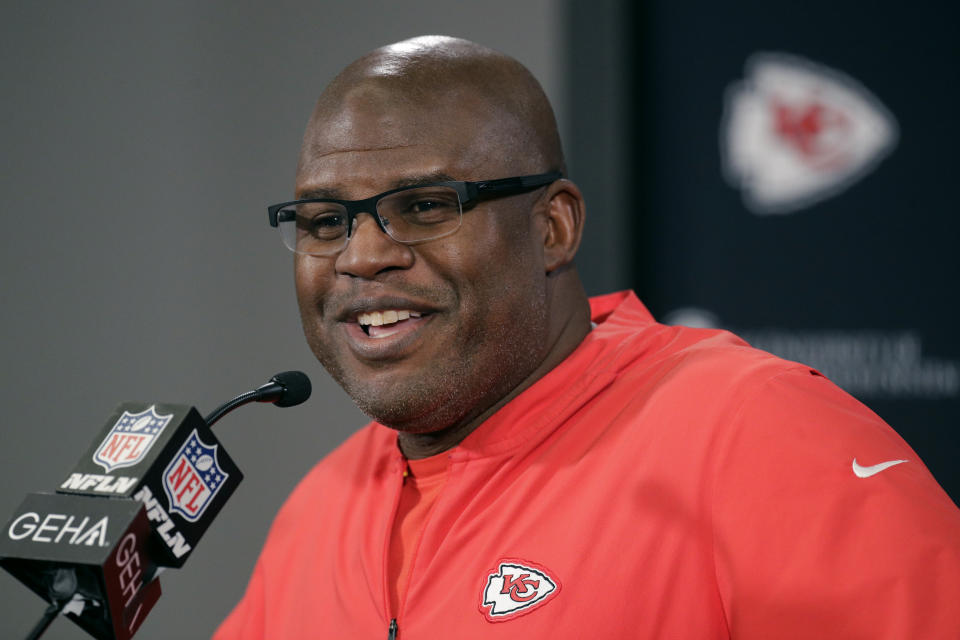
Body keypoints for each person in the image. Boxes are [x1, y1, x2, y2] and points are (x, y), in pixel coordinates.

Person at [214, 36, 960, 639]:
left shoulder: (752, 431)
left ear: (553, 227)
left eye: (426, 205)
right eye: (323, 222)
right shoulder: (320, 508)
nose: (361, 254)